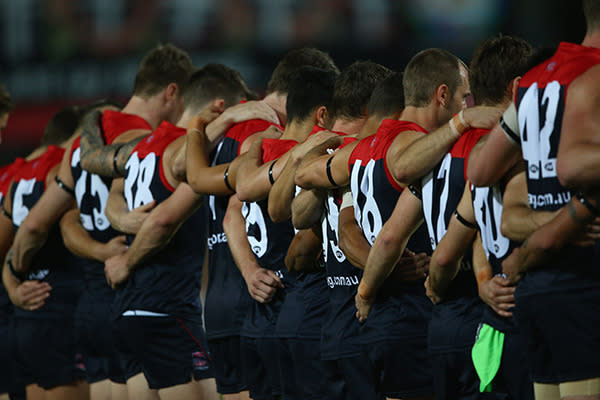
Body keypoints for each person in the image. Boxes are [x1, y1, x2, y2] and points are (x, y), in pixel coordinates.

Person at [467, 2, 600, 398]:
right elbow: (572, 167)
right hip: (584, 276)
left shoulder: (535, 81)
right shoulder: (591, 73)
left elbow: (480, 173)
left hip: (537, 285)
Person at [209, 47, 337, 400]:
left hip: (256, 314)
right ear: (323, 114)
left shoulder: (257, 148)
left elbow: (232, 210)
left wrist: (250, 271)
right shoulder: (317, 156)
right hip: (299, 303)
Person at [2, 106, 88, 400]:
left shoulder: (18, 177)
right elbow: (42, 229)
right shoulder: (63, 174)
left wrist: (13, 283)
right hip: (59, 309)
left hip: (22, 318)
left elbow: (6, 247)